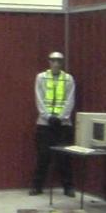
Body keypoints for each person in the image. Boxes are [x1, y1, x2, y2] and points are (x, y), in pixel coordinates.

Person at [30, 51, 76, 197]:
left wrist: (61, 117)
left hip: (64, 125)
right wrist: (48, 117)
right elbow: (39, 98)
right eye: (53, 60)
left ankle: (68, 187)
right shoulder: (41, 77)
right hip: (44, 124)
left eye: (59, 61)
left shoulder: (68, 79)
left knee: (65, 157)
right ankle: (37, 186)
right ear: (49, 62)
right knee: (43, 156)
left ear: (62, 63)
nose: (56, 63)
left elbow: (70, 100)